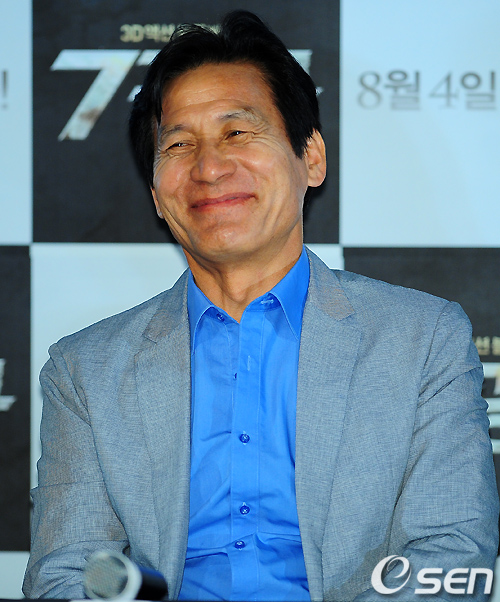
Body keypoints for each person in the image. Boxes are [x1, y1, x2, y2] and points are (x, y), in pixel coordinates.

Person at [23, 10, 498, 601]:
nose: (208, 167)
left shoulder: (422, 340)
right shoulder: (86, 370)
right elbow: (68, 576)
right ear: (157, 194)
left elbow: (450, 557)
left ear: (311, 158)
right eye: (179, 144)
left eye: (237, 133)